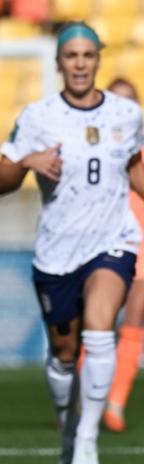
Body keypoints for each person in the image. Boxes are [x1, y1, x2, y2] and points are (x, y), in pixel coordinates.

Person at [0, 23, 144, 464]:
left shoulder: (126, 113)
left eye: (87, 55)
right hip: (57, 253)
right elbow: (0, 181)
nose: (79, 63)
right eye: (71, 55)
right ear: (59, 63)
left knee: (101, 332)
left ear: (98, 59)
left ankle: (87, 437)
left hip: (112, 241)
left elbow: (136, 168)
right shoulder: (38, 116)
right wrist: (26, 163)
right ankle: (67, 424)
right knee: (63, 354)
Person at [103, 77, 144, 433]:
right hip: (101, 239)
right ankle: (83, 398)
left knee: (133, 320)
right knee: (95, 323)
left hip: (141, 240)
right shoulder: (91, 142)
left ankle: (115, 402)